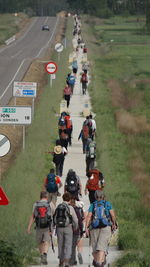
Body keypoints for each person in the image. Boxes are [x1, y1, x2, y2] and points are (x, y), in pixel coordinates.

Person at [85, 190, 117, 267]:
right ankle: (100, 262)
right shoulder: (107, 204)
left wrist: (86, 227)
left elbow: (89, 216)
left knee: (95, 247)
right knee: (102, 247)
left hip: (94, 227)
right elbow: (112, 215)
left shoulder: (93, 205)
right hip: (106, 227)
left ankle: (97, 262)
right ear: (103, 196)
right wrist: (114, 224)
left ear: (95, 196)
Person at [27, 191, 55, 265]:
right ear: (46, 197)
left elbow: (33, 216)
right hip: (48, 226)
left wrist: (29, 227)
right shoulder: (50, 204)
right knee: (46, 241)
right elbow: (54, 214)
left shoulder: (36, 204)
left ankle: (42, 254)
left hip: (39, 226)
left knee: (39, 242)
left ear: (40, 196)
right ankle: (45, 253)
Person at [53, 193, 78, 267]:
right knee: (68, 244)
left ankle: (61, 261)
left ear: (63, 199)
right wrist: (75, 227)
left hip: (59, 228)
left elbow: (54, 218)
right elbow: (75, 220)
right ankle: (67, 261)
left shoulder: (58, 207)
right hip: (68, 227)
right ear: (69, 200)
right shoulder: (70, 208)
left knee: (60, 244)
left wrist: (54, 226)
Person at [69, 197, 85, 266]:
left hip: (69, 230)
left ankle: (73, 260)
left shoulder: (68, 210)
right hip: (77, 230)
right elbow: (80, 222)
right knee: (79, 243)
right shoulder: (78, 210)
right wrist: (82, 231)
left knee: (72, 246)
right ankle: (79, 253)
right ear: (75, 203)